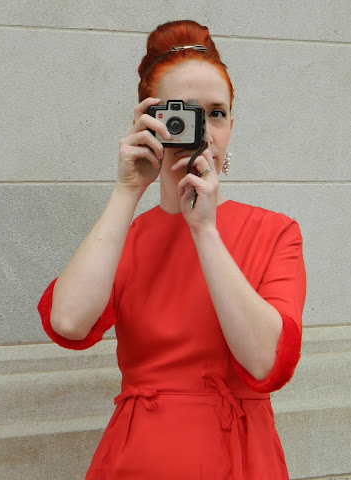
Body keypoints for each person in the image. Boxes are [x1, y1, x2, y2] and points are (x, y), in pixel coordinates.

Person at [38, 19, 306, 480]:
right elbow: (68, 322)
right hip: (137, 458)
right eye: (181, 112)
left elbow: (266, 361)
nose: (202, 128)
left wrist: (204, 229)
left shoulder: (275, 232)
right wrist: (127, 190)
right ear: (150, 122)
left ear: (232, 127)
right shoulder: (126, 233)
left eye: (216, 113)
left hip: (240, 457)